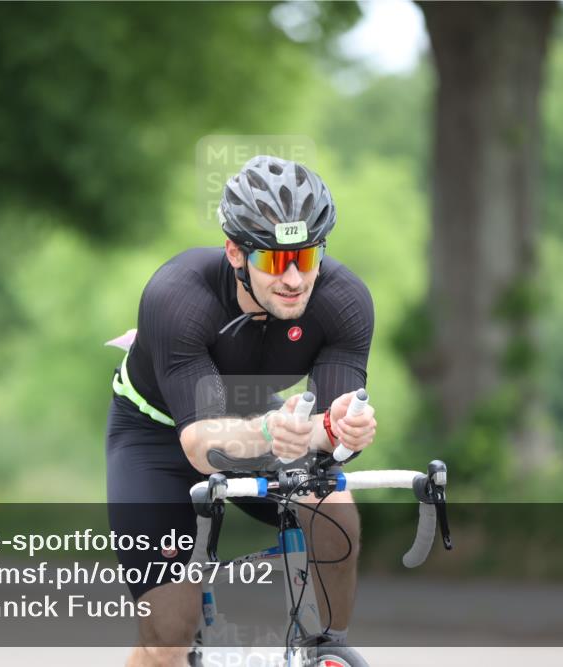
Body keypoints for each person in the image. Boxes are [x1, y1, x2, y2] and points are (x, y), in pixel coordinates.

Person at [106, 155, 377, 666]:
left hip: (255, 412)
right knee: (169, 630)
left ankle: (328, 648)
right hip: (156, 432)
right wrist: (275, 435)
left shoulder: (344, 302)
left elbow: (331, 432)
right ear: (235, 251)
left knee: (333, 507)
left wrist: (342, 429)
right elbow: (200, 447)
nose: (295, 278)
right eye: (275, 261)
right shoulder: (178, 296)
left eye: (308, 256)